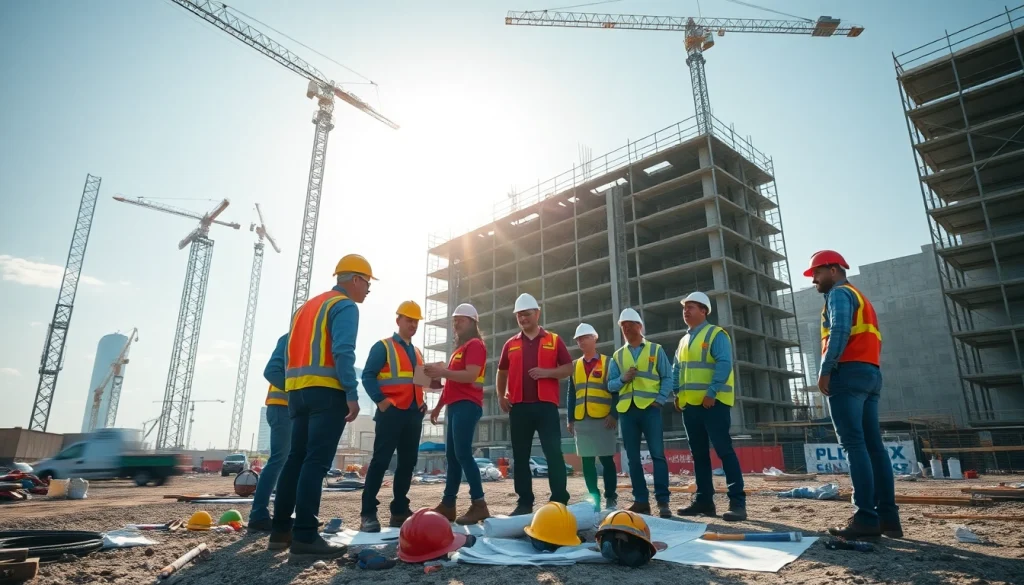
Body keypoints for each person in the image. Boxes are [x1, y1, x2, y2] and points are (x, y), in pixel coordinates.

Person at [269, 254, 372, 559]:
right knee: (315, 463)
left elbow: (286, 355)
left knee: (295, 461)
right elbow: (343, 351)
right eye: (367, 283)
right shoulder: (344, 306)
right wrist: (352, 394)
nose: (367, 290)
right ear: (355, 279)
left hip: (297, 393)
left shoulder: (306, 308)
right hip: (327, 393)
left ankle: (280, 533)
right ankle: (305, 536)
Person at [806, 250, 901, 540]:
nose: (814, 281)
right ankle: (888, 519)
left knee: (854, 445)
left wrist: (825, 369)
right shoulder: (862, 298)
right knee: (874, 447)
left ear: (833, 270)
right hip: (870, 373)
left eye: (817, 273)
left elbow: (840, 330)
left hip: (847, 374)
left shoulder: (838, 294)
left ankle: (865, 518)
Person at [497, 293, 574, 516]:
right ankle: (524, 502)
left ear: (537, 314)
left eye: (527, 314)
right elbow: (501, 372)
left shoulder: (553, 340)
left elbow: (568, 368)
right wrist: (502, 396)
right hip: (518, 407)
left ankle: (559, 499)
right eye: (519, 315)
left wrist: (547, 373)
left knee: (553, 453)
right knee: (520, 456)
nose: (523, 319)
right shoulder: (510, 344)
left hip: (546, 406)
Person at [672, 292, 746, 521]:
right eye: (685, 307)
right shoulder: (684, 340)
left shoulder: (716, 334)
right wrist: (676, 393)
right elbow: (677, 368)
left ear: (704, 310)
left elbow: (724, 364)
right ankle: (704, 501)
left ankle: (738, 503)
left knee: (724, 451)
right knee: (699, 455)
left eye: (691, 307)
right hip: (690, 405)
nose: (686, 311)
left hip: (713, 403)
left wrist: (712, 392)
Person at [358, 301, 428, 532]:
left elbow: (420, 382)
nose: (413, 325)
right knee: (380, 462)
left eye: (416, 321)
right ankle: (368, 513)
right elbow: (367, 376)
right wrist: (381, 400)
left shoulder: (417, 352)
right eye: (409, 320)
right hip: (391, 413)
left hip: (413, 414)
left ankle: (399, 511)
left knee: (408, 463)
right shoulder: (383, 347)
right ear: (398, 320)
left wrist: (423, 401)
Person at [426, 303, 491, 525]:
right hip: (456, 404)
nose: (456, 324)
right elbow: (451, 383)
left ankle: (479, 504)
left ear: (472, 322)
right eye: (455, 320)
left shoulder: (475, 345)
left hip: (467, 404)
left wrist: (443, 371)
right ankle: (448, 505)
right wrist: (438, 406)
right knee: (452, 457)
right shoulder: (459, 350)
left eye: (461, 320)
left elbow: (471, 375)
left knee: (462, 454)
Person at [607, 308, 674, 518]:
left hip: (650, 410)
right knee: (633, 459)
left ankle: (663, 501)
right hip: (628, 412)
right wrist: (623, 379)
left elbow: (668, 377)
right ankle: (641, 501)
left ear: (639, 326)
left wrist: (660, 400)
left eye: (630, 325)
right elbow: (610, 385)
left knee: (657, 455)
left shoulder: (655, 350)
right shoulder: (617, 356)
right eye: (623, 326)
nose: (626, 329)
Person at [566, 322, 618, 511]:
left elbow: (615, 391)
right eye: (579, 339)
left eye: (585, 337)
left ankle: (611, 497)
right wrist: (570, 419)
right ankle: (594, 498)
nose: (581, 341)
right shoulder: (575, 365)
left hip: (604, 419)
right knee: (587, 461)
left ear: (594, 338)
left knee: (606, 460)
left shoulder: (609, 362)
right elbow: (571, 394)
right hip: (582, 419)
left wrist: (614, 414)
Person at [248, 333, 291, 531]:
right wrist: (297, 391)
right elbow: (271, 371)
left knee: (286, 463)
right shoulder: (290, 338)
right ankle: (258, 515)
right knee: (278, 461)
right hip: (283, 408)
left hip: (288, 409)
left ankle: (281, 515)